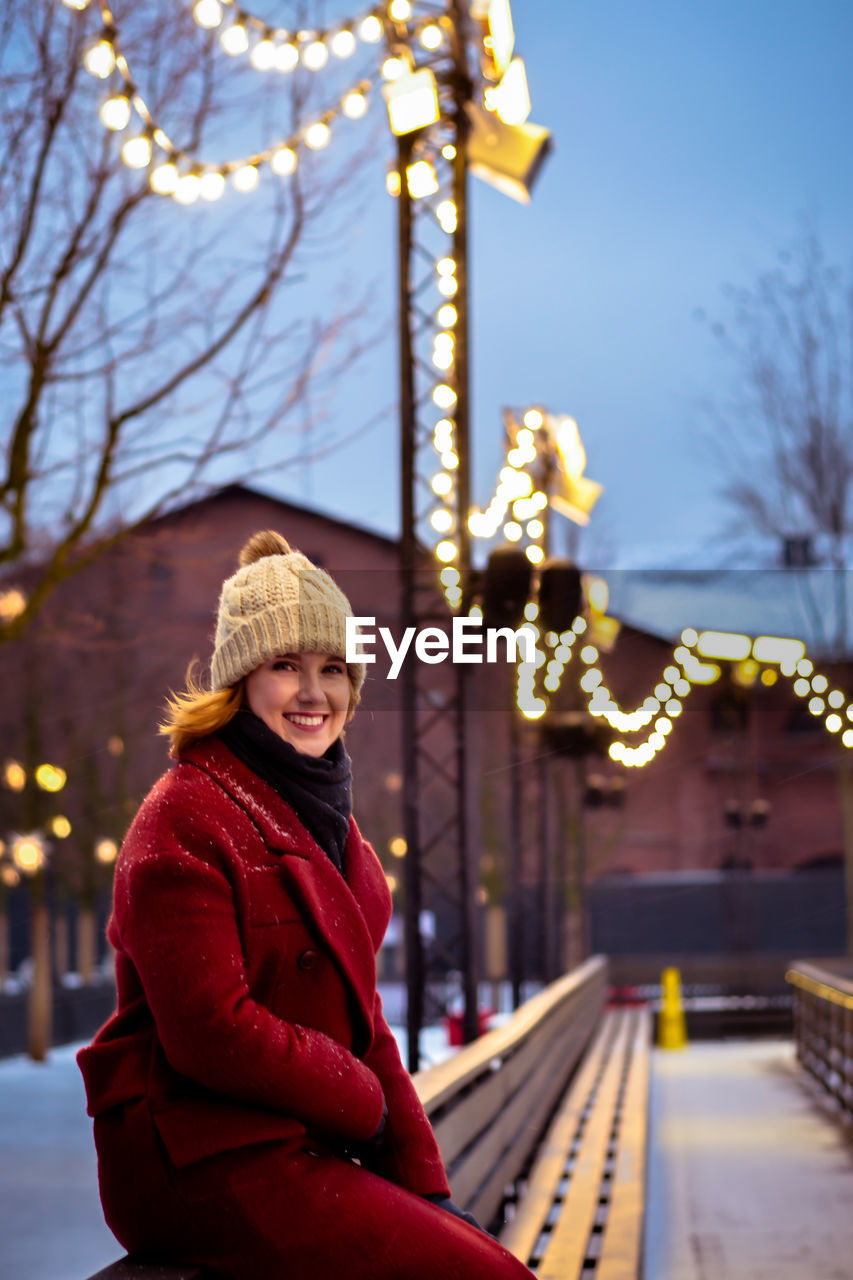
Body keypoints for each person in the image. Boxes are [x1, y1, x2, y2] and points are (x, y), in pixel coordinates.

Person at [78, 531, 533, 1280]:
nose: (314, 693)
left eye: (333, 670)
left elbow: (365, 1020)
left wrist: (425, 1183)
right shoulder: (184, 817)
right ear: (240, 679)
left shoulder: (327, 820)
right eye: (285, 666)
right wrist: (360, 1100)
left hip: (298, 1141)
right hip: (199, 1156)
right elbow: (209, 1031)